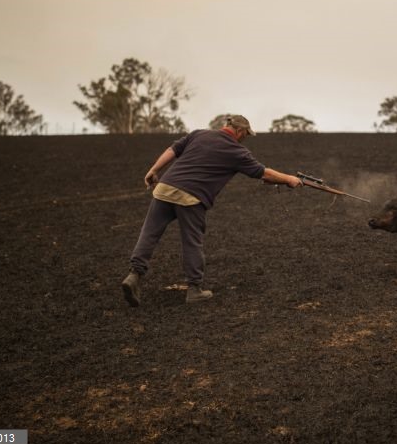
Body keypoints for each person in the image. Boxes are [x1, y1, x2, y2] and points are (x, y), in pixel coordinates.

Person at [121, 115, 302, 306]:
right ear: (240, 131)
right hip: (191, 197)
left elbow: (172, 149)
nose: (245, 138)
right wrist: (289, 179)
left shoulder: (198, 134)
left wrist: (154, 170)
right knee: (192, 241)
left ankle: (134, 275)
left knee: (149, 234)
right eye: (246, 135)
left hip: (164, 188)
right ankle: (194, 290)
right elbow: (263, 173)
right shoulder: (236, 151)